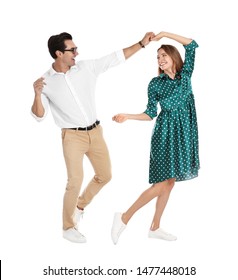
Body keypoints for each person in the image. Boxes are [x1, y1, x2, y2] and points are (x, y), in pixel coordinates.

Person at [31, 31, 155, 243]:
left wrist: (142, 44)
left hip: (96, 132)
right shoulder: (45, 81)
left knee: (105, 175)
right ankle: (67, 227)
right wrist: (36, 94)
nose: (76, 53)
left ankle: (80, 206)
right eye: (72, 50)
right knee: (74, 181)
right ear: (58, 53)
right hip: (72, 137)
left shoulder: (86, 68)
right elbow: (38, 116)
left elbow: (116, 57)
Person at [111, 31, 200, 244]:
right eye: (158, 57)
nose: (160, 60)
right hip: (164, 135)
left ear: (173, 58)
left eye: (163, 56)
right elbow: (150, 113)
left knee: (170, 183)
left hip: (185, 134)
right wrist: (128, 116)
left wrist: (164, 35)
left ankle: (155, 227)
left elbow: (192, 44)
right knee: (161, 184)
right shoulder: (155, 83)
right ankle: (123, 217)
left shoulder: (185, 75)